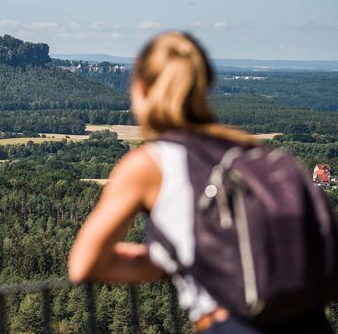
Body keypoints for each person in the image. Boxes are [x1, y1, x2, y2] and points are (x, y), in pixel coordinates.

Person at [67, 31, 334, 333]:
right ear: (203, 87)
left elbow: (83, 265)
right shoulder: (250, 150)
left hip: (233, 324)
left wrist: (165, 262)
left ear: (141, 88)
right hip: (312, 322)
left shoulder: (149, 164)